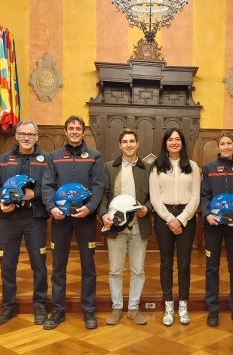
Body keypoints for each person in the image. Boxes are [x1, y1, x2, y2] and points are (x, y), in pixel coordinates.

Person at [42, 115, 104, 330]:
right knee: (58, 266)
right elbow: (47, 186)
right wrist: (52, 207)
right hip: (60, 220)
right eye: (71, 128)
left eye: (78, 128)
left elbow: (98, 187)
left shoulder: (95, 156)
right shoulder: (54, 156)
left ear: (84, 131)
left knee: (88, 266)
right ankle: (58, 309)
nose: (75, 131)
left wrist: (90, 207)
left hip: (85, 219)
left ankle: (89, 309)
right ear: (66, 131)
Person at [0, 120, 50, 326]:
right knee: (7, 264)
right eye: (22, 134)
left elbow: (51, 186)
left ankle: (40, 303)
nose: (26, 138)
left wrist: (34, 194)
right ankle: (9, 305)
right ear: (16, 136)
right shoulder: (4, 159)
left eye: (30, 135)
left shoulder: (46, 160)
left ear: (36, 137)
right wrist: (1, 200)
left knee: (39, 265)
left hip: (36, 219)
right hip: (9, 220)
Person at [98, 128, 152, 326]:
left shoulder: (148, 168)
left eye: (132, 141)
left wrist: (147, 208)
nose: (129, 145)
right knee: (115, 270)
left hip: (139, 227)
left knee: (138, 270)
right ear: (120, 145)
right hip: (116, 228)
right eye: (125, 142)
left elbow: (154, 196)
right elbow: (103, 194)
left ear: (137, 144)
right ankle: (117, 307)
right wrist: (103, 214)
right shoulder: (109, 168)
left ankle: (134, 308)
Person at [149, 128, 200, 326]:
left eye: (178, 139)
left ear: (182, 143)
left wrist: (182, 219)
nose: (174, 142)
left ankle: (183, 306)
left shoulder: (193, 166)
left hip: (187, 217)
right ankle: (169, 306)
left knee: (185, 264)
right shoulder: (157, 166)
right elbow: (155, 197)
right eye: (170, 139)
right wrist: (170, 219)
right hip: (164, 218)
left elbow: (195, 196)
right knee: (166, 263)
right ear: (165, 143)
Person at [200, 131, 233, 328]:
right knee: (212, 267)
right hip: (213, 226)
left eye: (229, 143)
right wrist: (207, 214)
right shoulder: (209, 169)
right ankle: (213, 309)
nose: (226, 146)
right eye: (223, 143)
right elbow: (204, 195)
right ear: (218, 146)